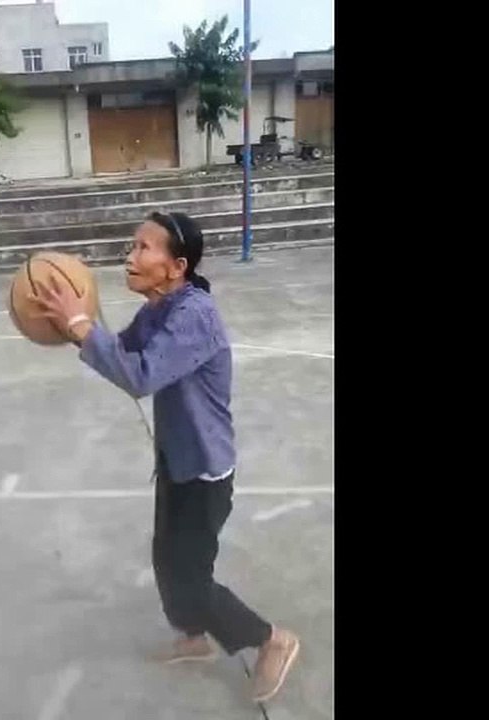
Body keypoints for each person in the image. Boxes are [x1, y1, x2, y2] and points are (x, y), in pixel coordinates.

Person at [34, 211, 301, 704]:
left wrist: (79, 326)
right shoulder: (158, 308)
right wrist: (75, 325)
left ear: (176, 265)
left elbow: (140, 376)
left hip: (204, 471)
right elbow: (120, 350)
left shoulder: (193, 315)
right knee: (166, 557)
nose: (130, 256)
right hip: (177, 464)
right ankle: (194, 640)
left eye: (142, 248)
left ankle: (271, 640)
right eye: (131, 246)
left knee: (191, 576)